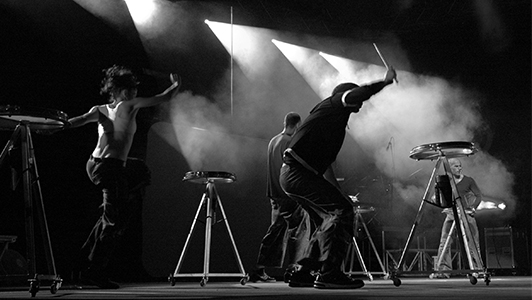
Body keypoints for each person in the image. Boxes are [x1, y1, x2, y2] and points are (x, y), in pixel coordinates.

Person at [279, 67, 397, 289]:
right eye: (357, 101)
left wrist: (338, 193)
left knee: (325, 220)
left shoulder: (331, 122)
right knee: (342, 212)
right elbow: (355, 95)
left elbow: (325, 168)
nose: (360, 105)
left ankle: (304, 272)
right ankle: (329, 273)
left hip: (295, 175)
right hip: (297, 174)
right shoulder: (334, 104)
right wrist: (385, 82)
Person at [67, 65, 180, 288]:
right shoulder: (125, 105)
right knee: (114, 222)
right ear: (119, 91)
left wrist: (57, 127)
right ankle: (94, 271)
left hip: (97, 165)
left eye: (133, 90)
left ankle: (82, 263)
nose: (132, 94)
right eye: (129, 90)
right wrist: (177, 84)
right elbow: (164, 97)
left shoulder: (102, 108)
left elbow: (79, 120)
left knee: (117, 203)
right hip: (107, 167)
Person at [250, 112, 312, 283]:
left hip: (274, 194)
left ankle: (259, 269)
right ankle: (293, 270)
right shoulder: (288, 142)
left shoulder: (273, 140)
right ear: (297, 125)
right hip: (286, 194)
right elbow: (292, 169)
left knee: (275, 231)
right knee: (299, 231)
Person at [430, 158, 483, 279]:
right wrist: (441, 204)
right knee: (444, 242)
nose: (459, 168)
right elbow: (437, 197)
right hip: (451, 214)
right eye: (456, 166)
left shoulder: (468, 180)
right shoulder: (446, 181)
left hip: (466, 214)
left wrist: (473, 208)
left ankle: (477, 268)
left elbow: (478, 195)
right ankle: (443, 270)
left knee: (473, 243)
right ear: (449, 168)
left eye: (460, 166)